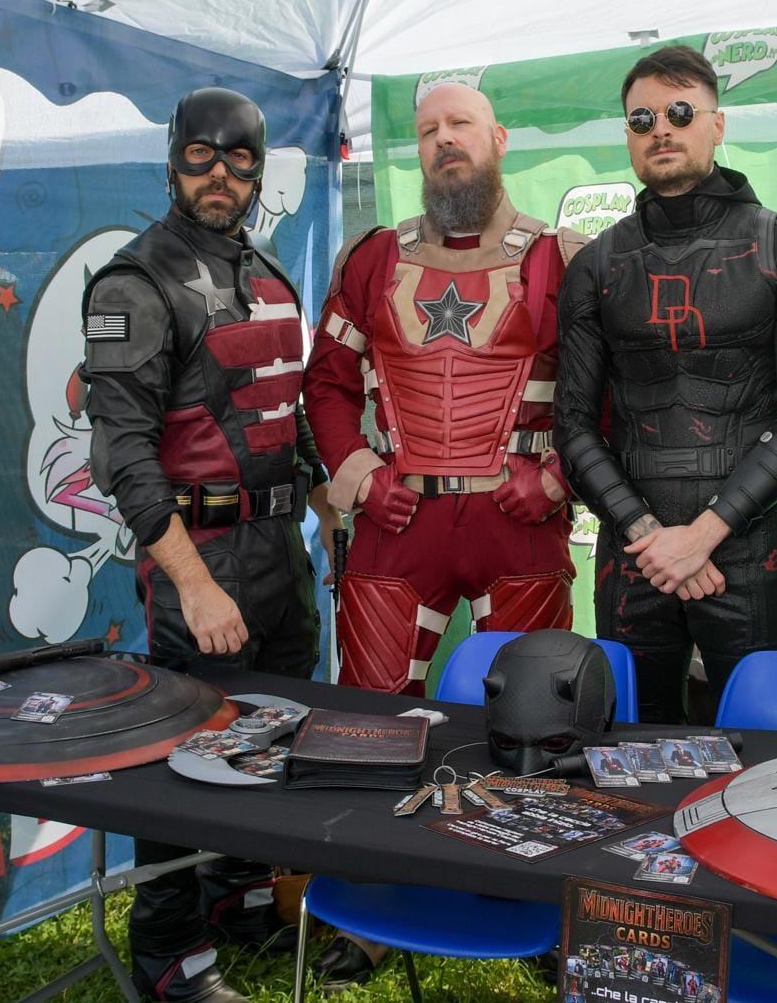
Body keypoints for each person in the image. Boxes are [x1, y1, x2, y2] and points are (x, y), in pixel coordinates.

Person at [302, 81, 585, 985]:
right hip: (400, 520)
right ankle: (371, 906)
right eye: (428, 131)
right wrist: (357, 473)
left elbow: (607, 392)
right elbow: (327, 382)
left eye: (460, 125)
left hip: (518, 523)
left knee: (538, 724)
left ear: (498, 137)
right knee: (369, 722)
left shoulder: (563, 259)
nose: (443, 141)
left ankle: (531, 907)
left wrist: (558, 476)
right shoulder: (372, 259)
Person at [82, 87, 340, 1003]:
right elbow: (123, 456)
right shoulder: (134, 283)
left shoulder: (268, 273)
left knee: (273, 734)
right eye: (201, 155)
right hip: (200, 557)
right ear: (171, 163)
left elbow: (288, 408)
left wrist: (327, 502)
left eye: (239, 158)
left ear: (259, 170)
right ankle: (167, 951)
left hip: (279, 553)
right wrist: (192, 584)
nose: (219, 173)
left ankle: (239, 897)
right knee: (185, 759)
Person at [554, 45, 777, 723]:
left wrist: (703, 535)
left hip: (747, 550)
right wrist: (653, 537)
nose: (661, 129)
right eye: (642, 118)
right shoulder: (596, 265)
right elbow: (573, 425)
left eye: (680, 112)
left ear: (717, 123)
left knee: (760, 751)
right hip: (635, 555)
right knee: (629, 753)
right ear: (628, 136)